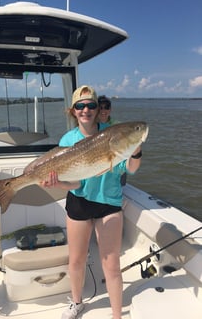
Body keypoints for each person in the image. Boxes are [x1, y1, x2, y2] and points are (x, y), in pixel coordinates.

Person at [41, 85, 143, 319]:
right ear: (73, 111)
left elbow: (130, 169)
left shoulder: (114, 134)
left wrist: (135, 152)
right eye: (80, 105)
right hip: (79, 202)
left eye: (91, 105)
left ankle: (117, 314)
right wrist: (58, 184)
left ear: (98, 109)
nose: (85, 109)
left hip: (109, 203)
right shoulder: (68, 139)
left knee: (111, 263)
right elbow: (75, 184)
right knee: (76, 260)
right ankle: (77, 303)